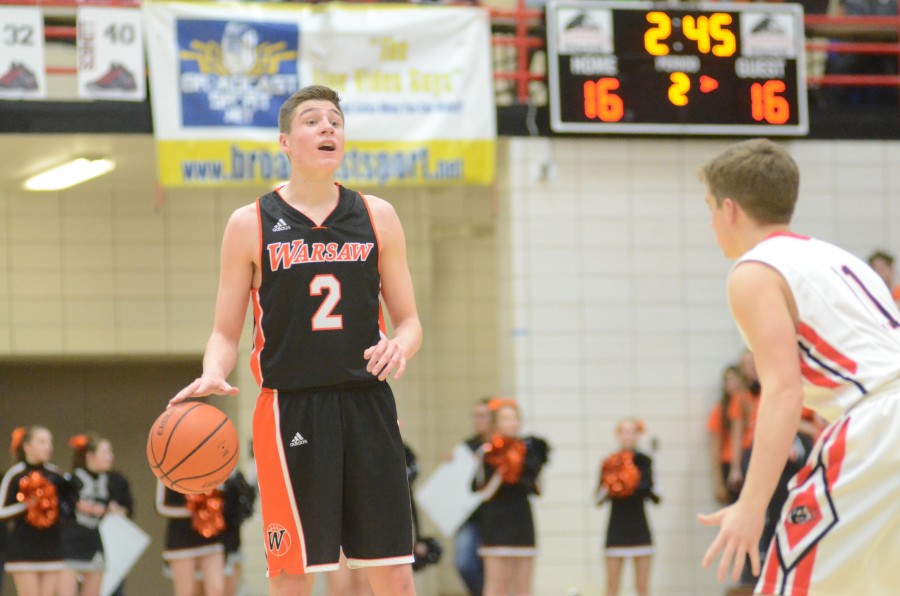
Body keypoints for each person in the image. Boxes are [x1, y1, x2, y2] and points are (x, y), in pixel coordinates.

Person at [169, 84, 423, 596]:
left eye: (335, 119)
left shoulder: (378, 216)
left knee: (393, 570)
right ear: (285, 142)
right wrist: (214, 370)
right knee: (293, 572)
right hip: (291, 408)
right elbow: (225, 330)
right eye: (312, 120)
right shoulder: (249, 223)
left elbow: (411, 322)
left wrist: (402, 344)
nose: (328, 127)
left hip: (368, 402)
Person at [697, 138, 900, 594]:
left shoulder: (754, 270)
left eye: (709, 208)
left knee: (790, 585)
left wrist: (751, 505)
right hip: (886, 415)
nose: (710, 222)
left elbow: (783, 391)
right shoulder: (842, 259)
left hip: (878, 423)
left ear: (729, 209)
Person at [475, 399, 550, 596]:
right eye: (506, 419)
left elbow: (539, 490)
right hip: (496, 520)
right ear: (496, 423)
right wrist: (504, 468)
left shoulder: (529, 451)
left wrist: (533, 466)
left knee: (524, 586)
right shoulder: (487, 451)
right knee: (496, 586)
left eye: (516, 419)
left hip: (522, 518)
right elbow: (483, 493)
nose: (512, 423)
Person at [0, 426, 72, 596]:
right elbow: (1, 512)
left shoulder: (57, 475)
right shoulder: (15, 474)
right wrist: (27, 505)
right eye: (42, 442)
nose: (48, 447)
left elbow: (68, 507)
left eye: (50, 442)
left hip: (52, 546)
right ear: (27, 446)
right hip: (24, 548)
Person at [596, 418, 661, 596]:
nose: (628, 436)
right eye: (624, 431)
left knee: (642, 587)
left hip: (640, 526)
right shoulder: (609, 461)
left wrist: (642, 482)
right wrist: (611, 483)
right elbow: (597, 499)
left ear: (638, 435)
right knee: (612, 586)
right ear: (617, 435)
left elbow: (657, 496)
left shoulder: (645, 461)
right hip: (616, 527)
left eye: (633, 431)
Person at [59, 433, 115, 596]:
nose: (110, 457)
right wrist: (80, 505)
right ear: (90, 456)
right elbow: (64, 506)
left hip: (93, 540)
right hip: (69, 542)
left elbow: (120, 506)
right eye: (105, 452)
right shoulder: (72, 480)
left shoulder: (110, 481)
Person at [156, 481, 226, 596]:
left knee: (217, 589)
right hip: (181, 539)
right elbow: (160, 506)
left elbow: (221, 493)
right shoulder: (167, 469)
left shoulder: (209, 465)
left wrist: (212, 505)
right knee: (187, 592)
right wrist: (195, 508)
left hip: (210, 535)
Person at [454, 398, 492, 595]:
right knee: (464, 563)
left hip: (495, 516)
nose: (477, 421)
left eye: (482, 416)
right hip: (470, 516)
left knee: (491, 566)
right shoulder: (467, 446)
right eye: (475, 416)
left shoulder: (503, 448)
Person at [707, 365, 751, 505]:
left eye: (733, 379)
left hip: (750, 459)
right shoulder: (720, 410)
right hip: (730, 463)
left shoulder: (750, 399)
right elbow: (715, 449)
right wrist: (718, 483)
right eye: (727, 381)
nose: (730, 384)